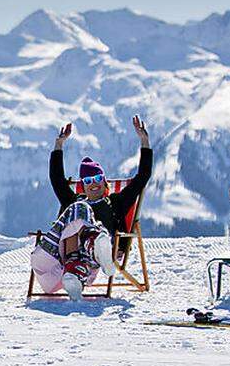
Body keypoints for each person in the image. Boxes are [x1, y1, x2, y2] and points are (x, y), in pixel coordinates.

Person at [30, 116, 153, 300]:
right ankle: (74, 274)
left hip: (106, 246)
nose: (93, 184)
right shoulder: (74, 200)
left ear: (104, 183)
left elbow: (142, 176)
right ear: (83, 185)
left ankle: (96, 245)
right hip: (74, 252)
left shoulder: (116, 202)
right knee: (77, 208)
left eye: (97, 179)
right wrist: (59, 145)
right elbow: (56, 179)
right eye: (87, 181)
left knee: (78, 208)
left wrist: (144, 141)